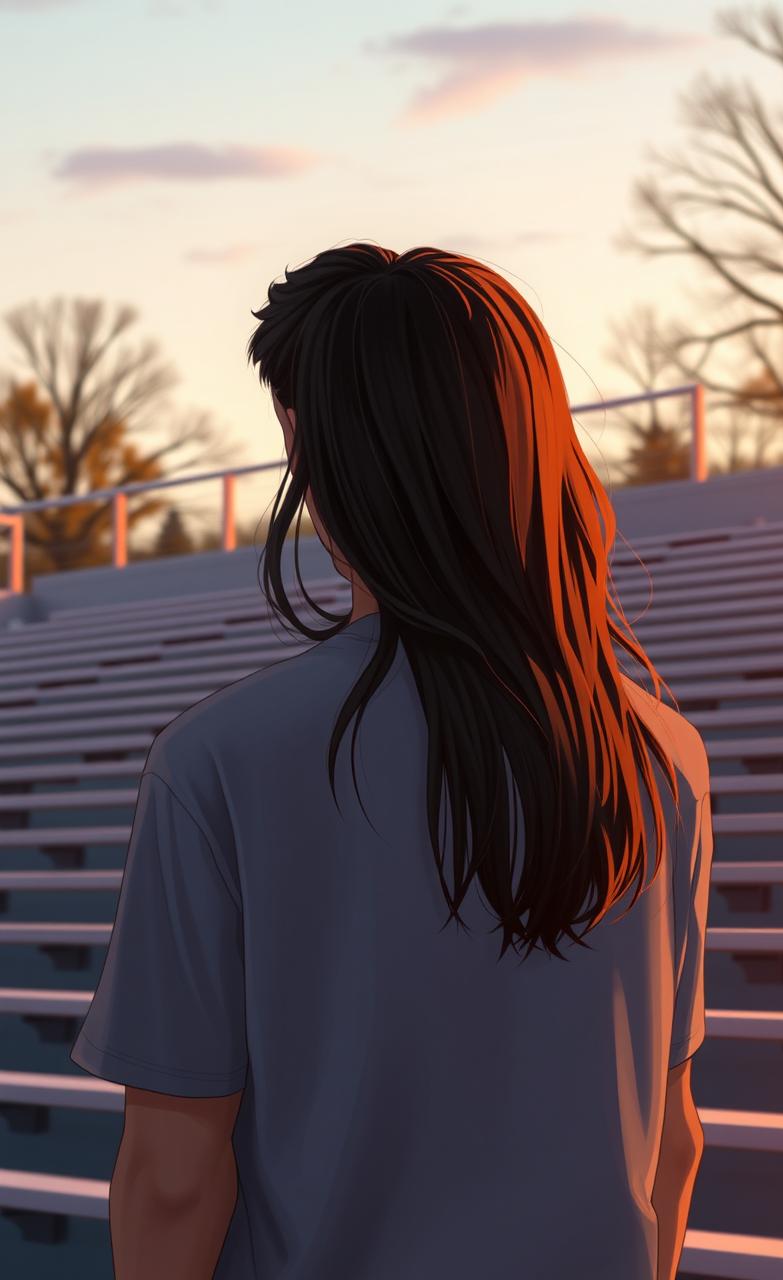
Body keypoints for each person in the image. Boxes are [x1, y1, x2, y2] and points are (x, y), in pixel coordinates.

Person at [70, 243, 712, 1279]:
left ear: (306, 444)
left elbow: (176, 1174)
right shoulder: (659, 754)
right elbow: (670, 1141)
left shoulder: (219, 763)